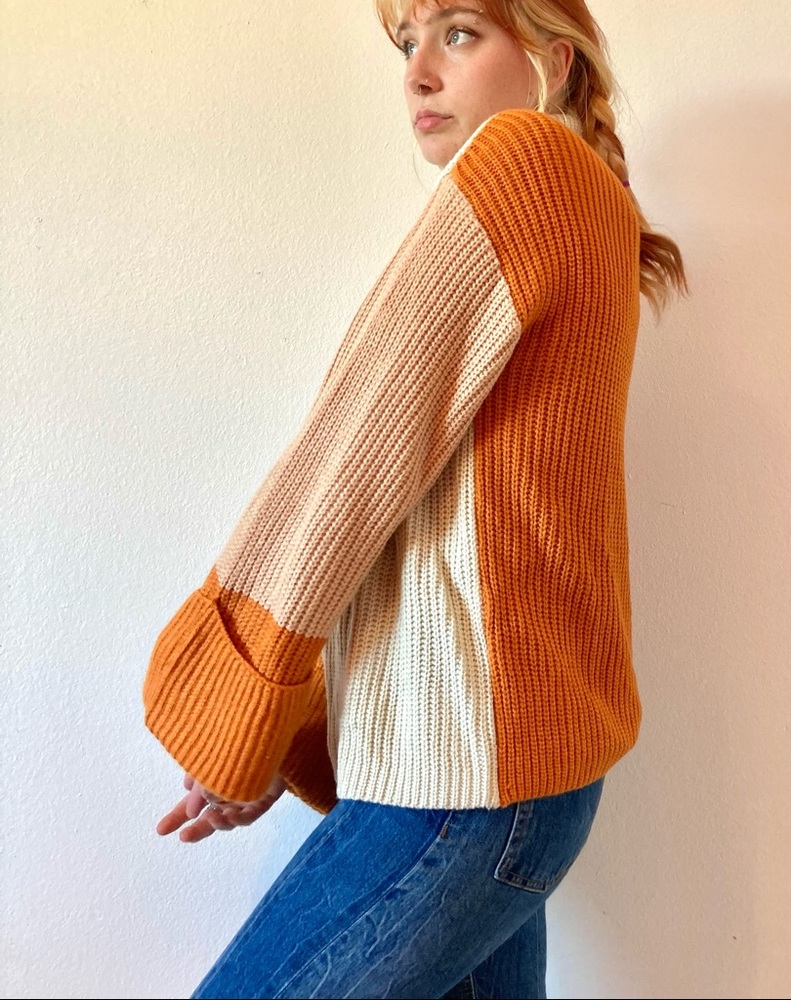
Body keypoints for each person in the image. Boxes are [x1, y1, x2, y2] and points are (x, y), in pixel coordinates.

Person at [145, 1, 686, 997]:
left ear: (555, 58)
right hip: (517, 781)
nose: (418, 72)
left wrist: (241, 699)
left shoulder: (526, 164)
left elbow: (358, 448)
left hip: (463, 789)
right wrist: (287, 723)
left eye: (459, 32)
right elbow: (432, 514)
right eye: (407, 42)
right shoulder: (594, 205)